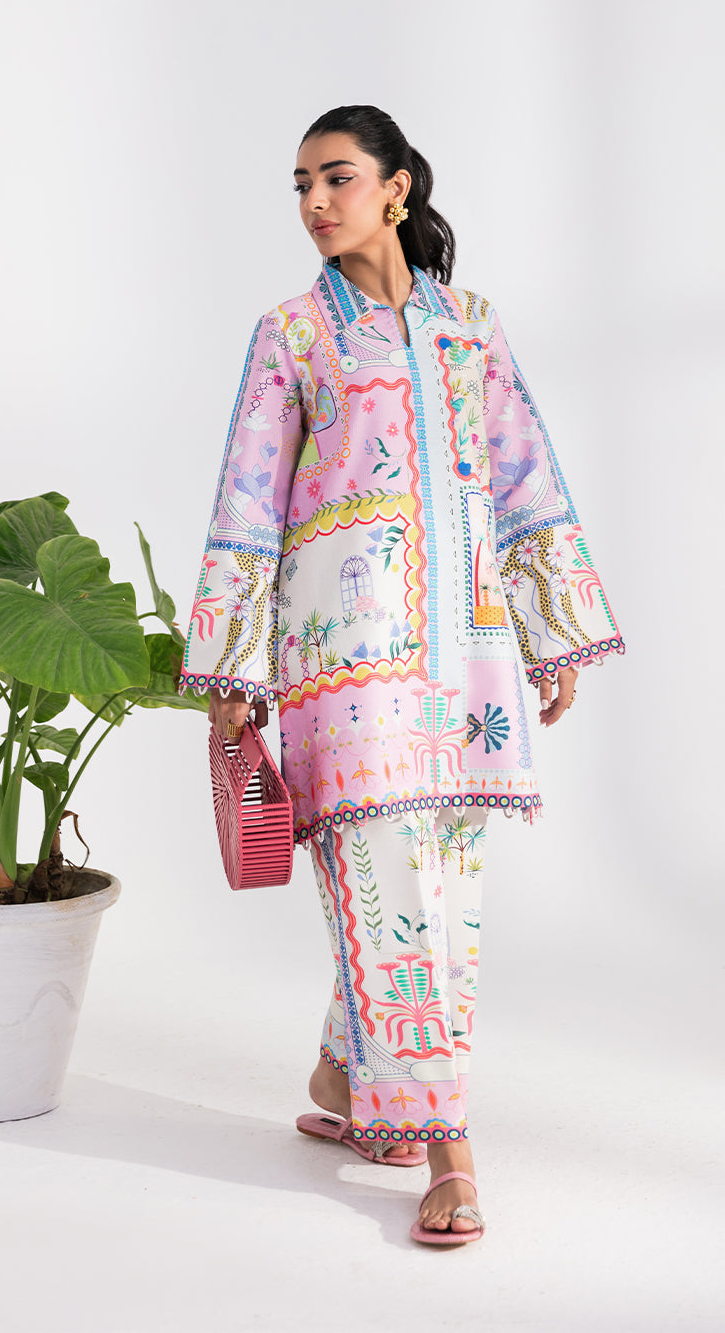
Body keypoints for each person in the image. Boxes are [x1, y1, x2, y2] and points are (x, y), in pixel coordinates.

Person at [177, 104, 624, 1246]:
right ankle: (447, 1148)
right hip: (339, 662)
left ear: (396, 187)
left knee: (443, 884)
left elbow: (523, 478)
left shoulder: (470, 327)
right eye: (300, 184)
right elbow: (249, 496)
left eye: (335, 177)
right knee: (391, 875)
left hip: (466, 654)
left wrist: (553, 632)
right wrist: (230, 666)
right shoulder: (292, 335)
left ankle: (346, 1074)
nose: (314, 202)